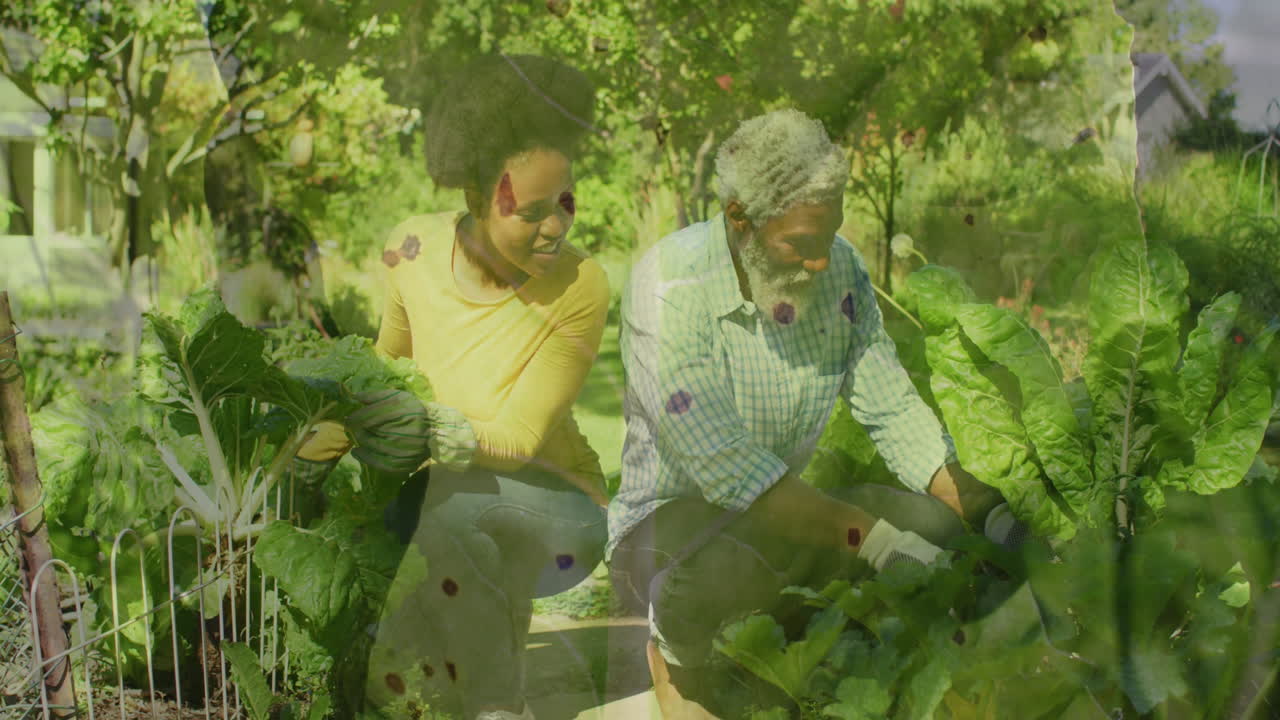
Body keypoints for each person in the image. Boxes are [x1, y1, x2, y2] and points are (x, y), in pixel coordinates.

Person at [606, 108, 1021, 718]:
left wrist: (991, 514)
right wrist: (876, 541)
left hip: (782, 514)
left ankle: (785, 658)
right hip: (667, 527)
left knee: (934, 526)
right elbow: (727, 467)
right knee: (727, 565)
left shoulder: (841, 269)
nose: (822, 262)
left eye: (829, 237)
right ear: (739, 218)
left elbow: (891, 407)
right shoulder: (668, 286)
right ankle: (677, 661)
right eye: (800, 244)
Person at [290, 53, 611, 720]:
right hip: (446, 497)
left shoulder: (582, 285)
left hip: (560, 507)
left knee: (452, 511)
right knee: (424, 526)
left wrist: (418, 425)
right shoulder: (411, 250)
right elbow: (383, 370)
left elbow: (518, 438)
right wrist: (300, 462)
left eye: (566, 204)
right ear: (475, 199)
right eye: (532, 211)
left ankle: (498, 708)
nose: (556, 228)